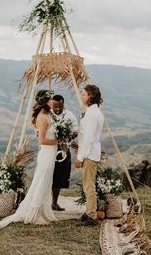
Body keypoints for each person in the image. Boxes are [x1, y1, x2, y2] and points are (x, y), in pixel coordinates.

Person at [0, 90, 58, 227]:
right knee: (41, 181)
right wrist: (59, 142)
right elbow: (42, 140)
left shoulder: (49, 114)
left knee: (46, 181)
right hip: (47, 152)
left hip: (51, 152)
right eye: (51, 99)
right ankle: (33, 214)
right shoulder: (42, 117)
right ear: (45, 101)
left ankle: (41, 210)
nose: (53, 101)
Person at [75, 84, 104, 226]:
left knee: (88, 186)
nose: (82, 96)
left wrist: (80, 157)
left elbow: (89, 139)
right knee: (88, 185)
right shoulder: (93, 112)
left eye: (84, 94)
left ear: (90, 96)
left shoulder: (92, 114)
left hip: (89, 154)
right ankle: (89, 212)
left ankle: (92, 216)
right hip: (90, 152)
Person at [51, 95, 78, 211]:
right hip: (50, 149)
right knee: (47, 176)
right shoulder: (48, 115)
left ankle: (54, 203)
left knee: (59, 177)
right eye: (55, 106)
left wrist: (67, 137)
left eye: (60, 106)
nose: (57, 109)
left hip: (64, 150)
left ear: (63, 104)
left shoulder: (70, 115)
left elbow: (76, 130)